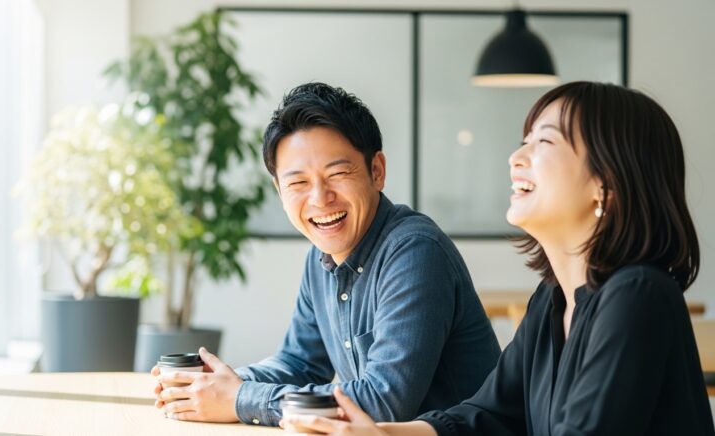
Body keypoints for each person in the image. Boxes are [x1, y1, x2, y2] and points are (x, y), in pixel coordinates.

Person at [282, 81, 715, 435]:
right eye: (523, 141)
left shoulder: (638, 295)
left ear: (606, 185)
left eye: (544, 142)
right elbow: (490, 415)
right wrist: (380, 434)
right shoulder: (552, 301)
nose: (516, 158)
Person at [151, 82, 501, 426]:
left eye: (337, 174)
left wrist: (239, 398)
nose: (320, 199)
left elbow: (384, 401)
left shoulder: (415, 252)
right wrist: (212, 383)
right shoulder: (321, 257)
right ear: (279, 189)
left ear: (376, 171)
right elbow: (298, 364)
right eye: (298, 183)